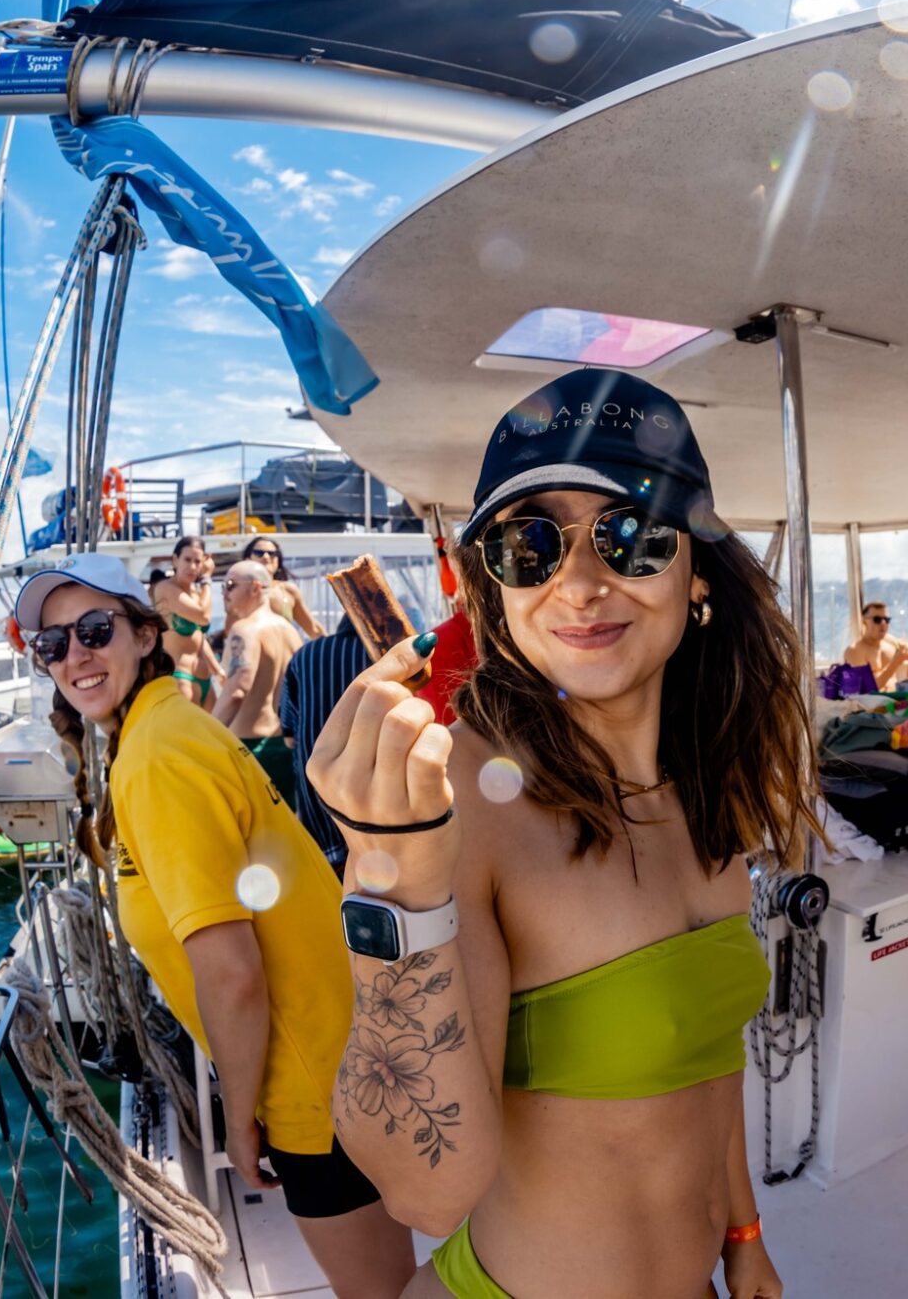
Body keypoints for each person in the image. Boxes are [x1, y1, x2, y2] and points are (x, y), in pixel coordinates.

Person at [311, 368, 806, 1299]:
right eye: (530, 545)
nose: (579, 583)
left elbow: (712, 1057)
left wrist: (743, 1232)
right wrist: (390, 880)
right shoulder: (467, 792)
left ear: (696, 572)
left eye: (631, 535)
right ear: (495, 591)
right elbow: (425, 1192)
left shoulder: (706, 785)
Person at [22, 551, 415, 1297]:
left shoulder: (157, 757)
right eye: (53, 643)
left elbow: (232, 975)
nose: (75, 654)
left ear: (145, 634)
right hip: (341, 1053)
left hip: (311, 1085)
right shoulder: (165, 729)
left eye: (95, 630)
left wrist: (238, 1120)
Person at [277, 615, 373, 873]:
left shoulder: (304, 656)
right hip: (374, 806)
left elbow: (288, 735)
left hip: (316, 804)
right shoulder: (386, 657)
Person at [213, 560, 303, 804]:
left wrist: (206, 735)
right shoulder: (289, 630)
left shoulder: (245, 629)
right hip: (285, 746)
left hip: (249, 749)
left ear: (255, 588)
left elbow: (237, 690)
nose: (224, 592)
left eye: (230, 585)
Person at [150, 536, 223, 707]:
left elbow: (199, 636)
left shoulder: (197, 594)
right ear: (175, 560)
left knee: (213, 732)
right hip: (180, 677)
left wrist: (217, 669)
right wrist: (206, 579)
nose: (192, 567)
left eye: (198, 561)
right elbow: (203, 616)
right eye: (187, 560)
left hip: (205, 678)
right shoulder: (165, 589)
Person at [242, 536, 324, 639]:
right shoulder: (238, 589)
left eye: (272, 554)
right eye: (259, 553)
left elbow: (313, 629)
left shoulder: (288, 590)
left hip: (285, 654)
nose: (266, 557)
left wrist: (331, 648)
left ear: (278, 560)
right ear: (247, 559)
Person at [840, 601, 908, 690]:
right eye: (877, 620)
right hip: (873, 703)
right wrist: (894, 664)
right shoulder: (855, 651)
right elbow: (863, 690)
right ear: (864, 621)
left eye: (886, 620)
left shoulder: (890, 641)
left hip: (897, 699)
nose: (883, 623)